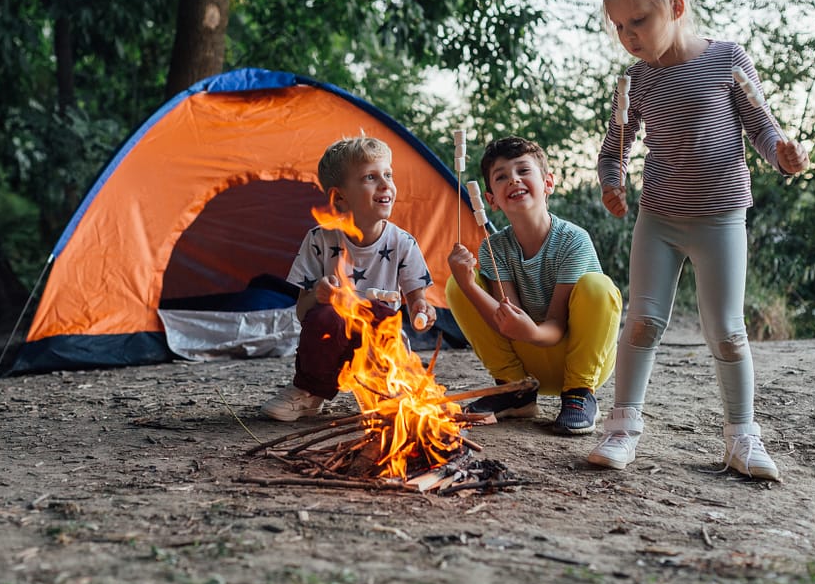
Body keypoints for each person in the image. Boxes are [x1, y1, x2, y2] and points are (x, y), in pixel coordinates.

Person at [586, 0, 810, 481]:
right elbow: (611, 150)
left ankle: (742, 438)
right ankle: (623, 428)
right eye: (619, 26)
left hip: (721, 218)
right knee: (642, 321)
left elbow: (762, 128)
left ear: (677, 7)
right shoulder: (636, 81)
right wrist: (612, 184)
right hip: (659, 219)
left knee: (728, 332)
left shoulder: (728, 58)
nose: (628, 35)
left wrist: (782, 152)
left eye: (638, 21)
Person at [446, 136, 622, 435]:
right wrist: (469, 286)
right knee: (456, 284)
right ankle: (515, 393)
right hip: (529, 359)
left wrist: (530, 330)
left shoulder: (573, 240)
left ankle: (580, 395)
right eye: (501, 177)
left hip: (573, 357)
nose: (513, 179)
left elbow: (555, 326)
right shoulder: (494, 248)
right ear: (492, 200)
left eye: (523, 171)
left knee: (598, 286)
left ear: (548, 183)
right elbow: (506, 317)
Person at [261, 135, 437, 421]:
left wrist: (422, 311)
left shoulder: (403, 243)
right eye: (370, 177)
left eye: (388, 175)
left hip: (380, 346)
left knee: (380, 314)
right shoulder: (319, 239)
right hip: (330, 345)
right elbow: (302, 313)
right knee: (326, 315)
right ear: (339, 197)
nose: (385, 185)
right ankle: (309, 392)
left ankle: (385, 388)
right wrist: (318, 296)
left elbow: (419, 302)